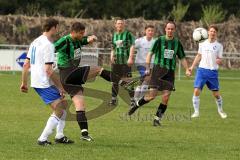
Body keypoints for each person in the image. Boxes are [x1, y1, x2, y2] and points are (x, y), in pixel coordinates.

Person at [55, 22, 129, 141]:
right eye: (81, 33)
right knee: (98, 70)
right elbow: (51, 48)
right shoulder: (65, 41)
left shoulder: (78, 39)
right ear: (73, 32)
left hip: (68, 80)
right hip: (68, 72)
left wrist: (91, 38)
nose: (82, 35)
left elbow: (85, 40)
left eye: (83, 33)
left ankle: (84, 134)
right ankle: (123, 83)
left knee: (80, 105)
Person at [20, 18, 73, 146]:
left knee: (63, 105)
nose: (58, 30)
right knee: (60, 109)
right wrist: (60, 87)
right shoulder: (48, 45)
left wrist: (24, 83)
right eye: (57, 27)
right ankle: (42, 139)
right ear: (53, 27)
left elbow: (26, 64)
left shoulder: (35, 42)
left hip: (37, 81)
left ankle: (59, 135)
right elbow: (48, 70)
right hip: (44, 82)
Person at [128, 21, 191, 126]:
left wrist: (187, 69)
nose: (170, 30)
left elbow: (182, 57)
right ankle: (137, 105)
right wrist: (148, 67)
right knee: (152, 96)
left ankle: (157, 119)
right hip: (158, 70)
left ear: (174, 30)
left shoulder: (177, 43)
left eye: (172, 29)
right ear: (165, 29)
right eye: (168, 28)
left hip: (170, 73)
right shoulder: (159, 41)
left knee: (166, 97)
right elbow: (150, 54)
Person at [189, 25, 227, 119]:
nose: (212, 33)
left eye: (214, 31)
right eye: (211, 31)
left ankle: (220, 110)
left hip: (212, 72)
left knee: (216, 94)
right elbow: (198, 56)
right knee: (196, 91)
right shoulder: (202, 43)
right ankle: (196, 112)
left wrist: (219, 61)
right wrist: (192, 67)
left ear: (216, 33)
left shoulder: (219, 46)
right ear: (208, 32)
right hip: (201, 70)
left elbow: (219, 59)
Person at [109, 18, 135, 106]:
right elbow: (113, 48)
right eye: (118, 23)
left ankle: (132, 100)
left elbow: (132, 46)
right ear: (115, 25)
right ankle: (113, 100)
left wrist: (131, 57)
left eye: (121, 23)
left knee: (128, 81)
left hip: (125, 62)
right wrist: (111, 56)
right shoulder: (114, 35)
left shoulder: (128, 34)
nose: (120, 25)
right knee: (114, 81)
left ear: (124, 25)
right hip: (116, 63)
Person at [134, 25, 155, 101]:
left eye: (152, 31)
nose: (150, 32)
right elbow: (131, 47)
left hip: (151, 65)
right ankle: (138, 99)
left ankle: (136, 99)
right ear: (145, 31)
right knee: (147, 79)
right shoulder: (139, 41)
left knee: (144, 82)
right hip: (141, 64)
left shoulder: (155, 42)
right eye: (149, 30)